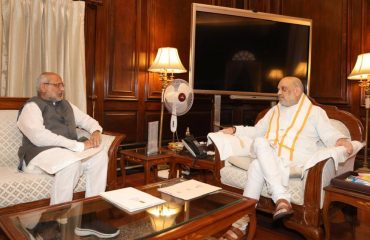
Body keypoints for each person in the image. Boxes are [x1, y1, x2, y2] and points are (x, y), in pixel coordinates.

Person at [218, 76, 353, 240]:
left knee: (256, 166)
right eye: (278, 89)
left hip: (293, 162)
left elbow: (328, 133)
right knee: (261, 142)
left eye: (283, 89)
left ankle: (241, 224)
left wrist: (340, 140)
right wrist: (235, 130)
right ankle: (281, 197)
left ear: (297, 91)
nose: (278, 93)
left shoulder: (315, 112)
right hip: (270, 155)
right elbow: (256, 131)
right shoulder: (274, 111)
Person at [17, 72, 120, 239]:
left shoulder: (67, 105)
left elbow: (88, 121)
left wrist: (95, 131)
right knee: (71, 163)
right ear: (43, 87)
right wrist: (77, 145)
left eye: (62, 85)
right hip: (39, 155)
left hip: (67, 153)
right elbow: (39, 137)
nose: (62, 88)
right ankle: (49, 224)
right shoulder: (32, 107)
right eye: (58, 85)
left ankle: (89, 217)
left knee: (99, 157)